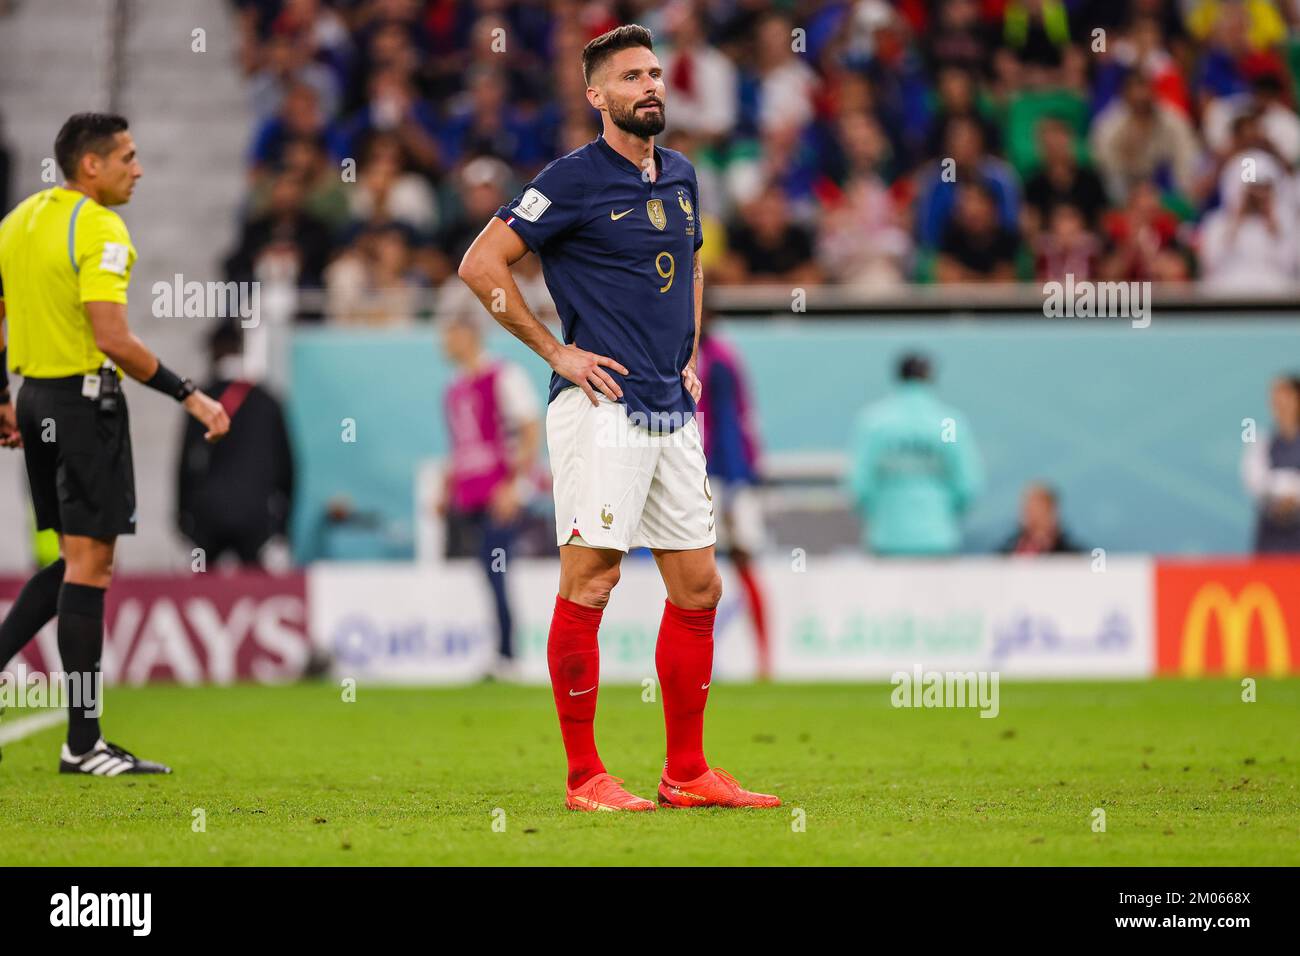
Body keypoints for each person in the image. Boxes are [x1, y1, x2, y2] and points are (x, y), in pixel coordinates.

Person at [458, 25, 779, 812]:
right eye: (632, 76)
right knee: (594, 578)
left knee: (699, 585)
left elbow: (691, 264)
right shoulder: (570, 180)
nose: (651, 86)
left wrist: (689, 350)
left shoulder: (682, 175)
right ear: (597, 95)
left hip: (672, 404)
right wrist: (555, 353)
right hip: (601, 406)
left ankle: (688, 772)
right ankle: (582, 778)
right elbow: (480, 264)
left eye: (656, 73)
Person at [0, 113, 230, 774]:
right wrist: (191, 394)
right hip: (81, 402)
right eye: (127, 157)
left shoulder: (18, 221)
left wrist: (1, 397)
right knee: (92, 566)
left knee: (76, 561)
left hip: (34, 397)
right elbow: (113, 339)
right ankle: (83, 743)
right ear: (90, 166)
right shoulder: (99, 226)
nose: (139, 168)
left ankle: (77, 735)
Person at [438, 311, 541, 678]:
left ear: (468, 336)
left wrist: (515, 486)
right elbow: (462, 444)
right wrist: (447, 486)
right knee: (487, 570)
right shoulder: (454, 388)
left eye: (450, 334)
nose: (444, 343)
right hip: (471, 496)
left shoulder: (503, 376)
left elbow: (529, 429)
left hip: (500, 493)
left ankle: (508, 655)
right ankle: (500, 652)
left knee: (497, 570)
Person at [176, 322, 294, 567]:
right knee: (255, 593)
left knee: (204, 594)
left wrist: (182, 517)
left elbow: (185, 464)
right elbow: (288, 467)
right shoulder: (268, 401)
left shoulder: (200, 401)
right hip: (257, 517)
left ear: (213, 350)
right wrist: (282, 526)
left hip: (208, 516)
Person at [696, 308, 770, 680]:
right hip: (707, 473)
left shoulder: (718, 359)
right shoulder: (698, 355)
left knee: (739, 560)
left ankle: (763, 659)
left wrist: (730, 485)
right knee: (699, 569)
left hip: (724, 477)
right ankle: (711, 658)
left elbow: (728, 425)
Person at [847, 353, 983, 556]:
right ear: (930, 378)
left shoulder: (876, 422)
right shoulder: (946, 423)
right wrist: (946, 511)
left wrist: (879, 512)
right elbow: (966, 482)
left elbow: (860, 484)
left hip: (887, 537)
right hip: (937, 536)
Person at [1242, 375, 1300, 553]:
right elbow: (1253, 479)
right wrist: (1276, 499)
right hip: (1270, 537)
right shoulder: (1261, 440)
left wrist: (1294, 497)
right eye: (1275, 399)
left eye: (1285, 397)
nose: (1279, 404)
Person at [999, 482, 1083, 554]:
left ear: (1052, 512)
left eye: (1038, 509)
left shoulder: (1071, 553)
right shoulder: (1009, 547)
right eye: (1029, 509)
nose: (1032, 516)